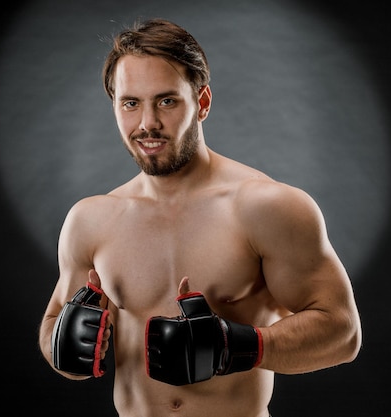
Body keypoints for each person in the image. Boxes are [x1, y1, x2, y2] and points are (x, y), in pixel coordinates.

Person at [38, 18, 362, 417]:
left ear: (202, 102)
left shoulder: (266, 207)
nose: (147, 123)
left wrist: (238, 346)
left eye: (167, 101)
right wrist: (65, 346)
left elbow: (342, 334)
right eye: (131, 103)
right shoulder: (90, 220)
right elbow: (53, 323)